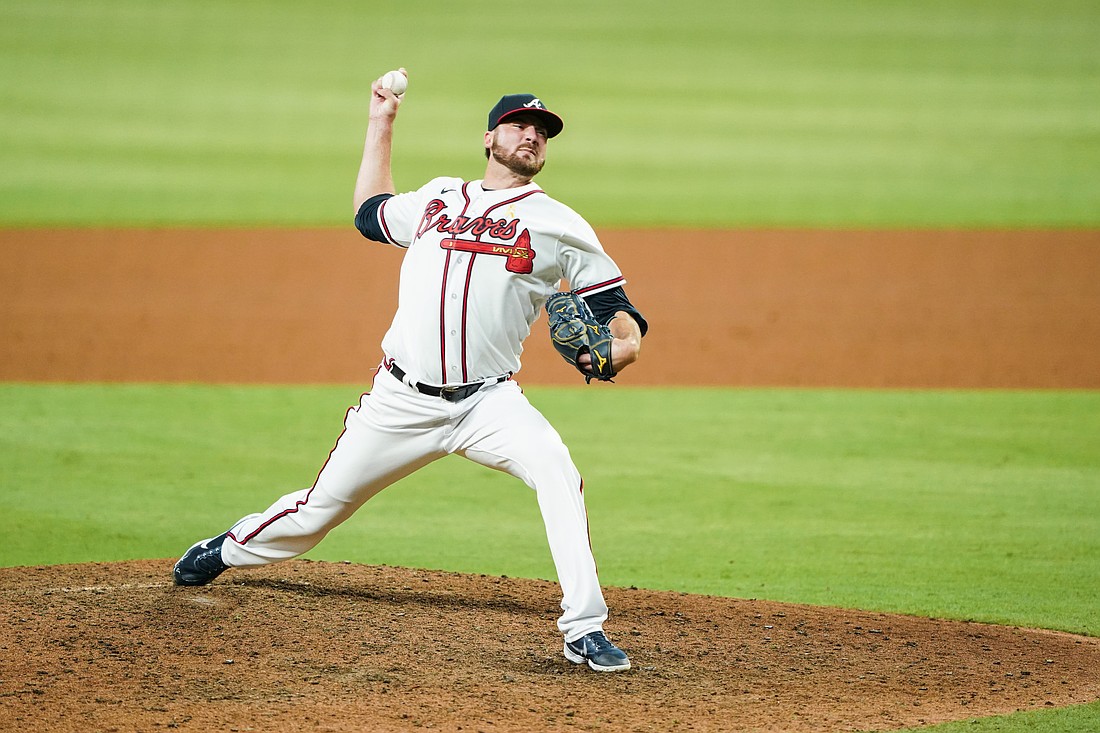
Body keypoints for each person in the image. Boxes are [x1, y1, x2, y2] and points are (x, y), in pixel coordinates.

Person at [173, 68, 649, 673]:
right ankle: (232, 547)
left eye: (542, 132)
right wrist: (381, 122)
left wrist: (621, 349)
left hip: (488, 404)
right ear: (489, 139)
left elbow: (620, 314)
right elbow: (370, 213)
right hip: (399, 401)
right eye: (519, 125)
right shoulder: (438, 198)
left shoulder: (560, 222)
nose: (531, 136)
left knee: (558, 472)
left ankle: (584, 628)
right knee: (320, 509)